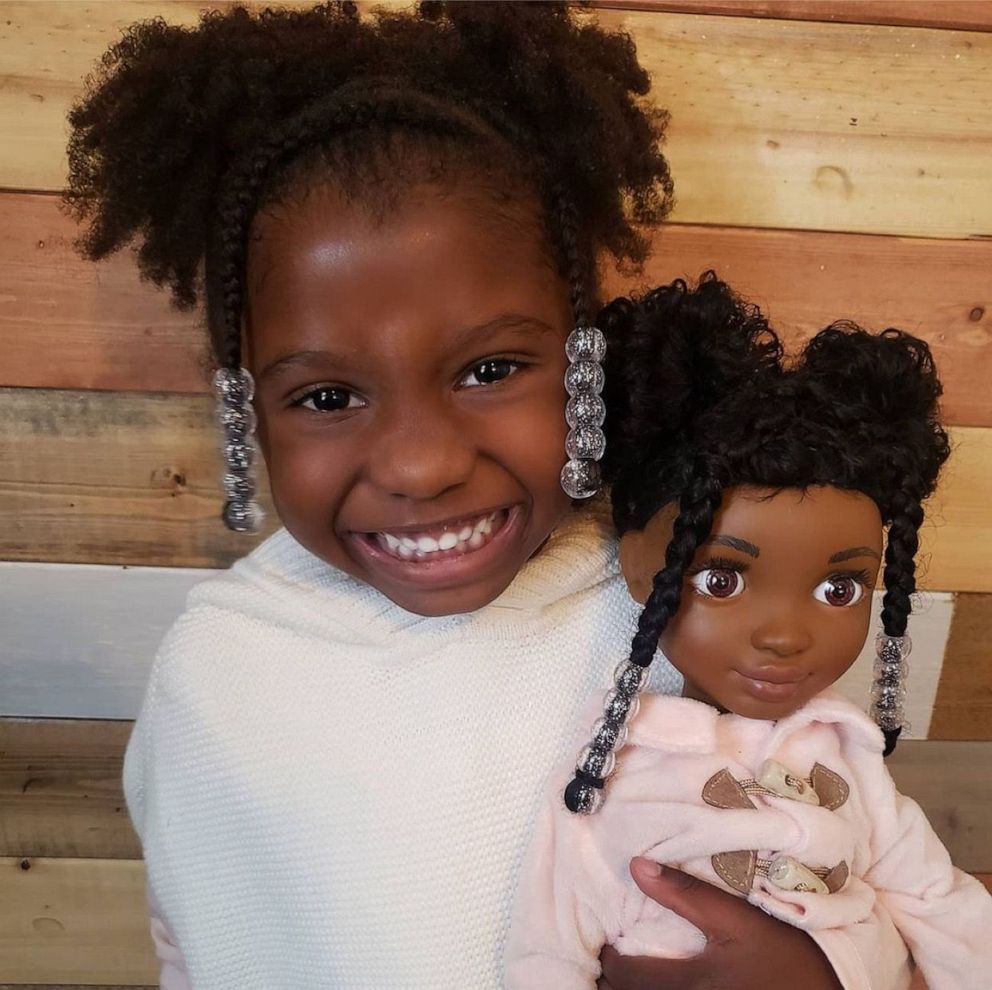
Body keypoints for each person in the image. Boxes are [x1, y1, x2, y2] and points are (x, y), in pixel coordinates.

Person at [63, 4, 902, 987]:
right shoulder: (216, 677)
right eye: (327, 396)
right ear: (249, 413)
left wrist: (823, 971)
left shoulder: (677, 600)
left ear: (581, 366)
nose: (419, 464)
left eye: (490, 369)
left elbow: (859, 864)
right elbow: (194, 947)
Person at [505, 274, 992, 990]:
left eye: (840, 588)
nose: (786, 636)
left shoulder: (846, 756)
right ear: (642, 565)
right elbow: (546, 947)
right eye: (723, 581)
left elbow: (939, 903)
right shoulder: (613, 769)